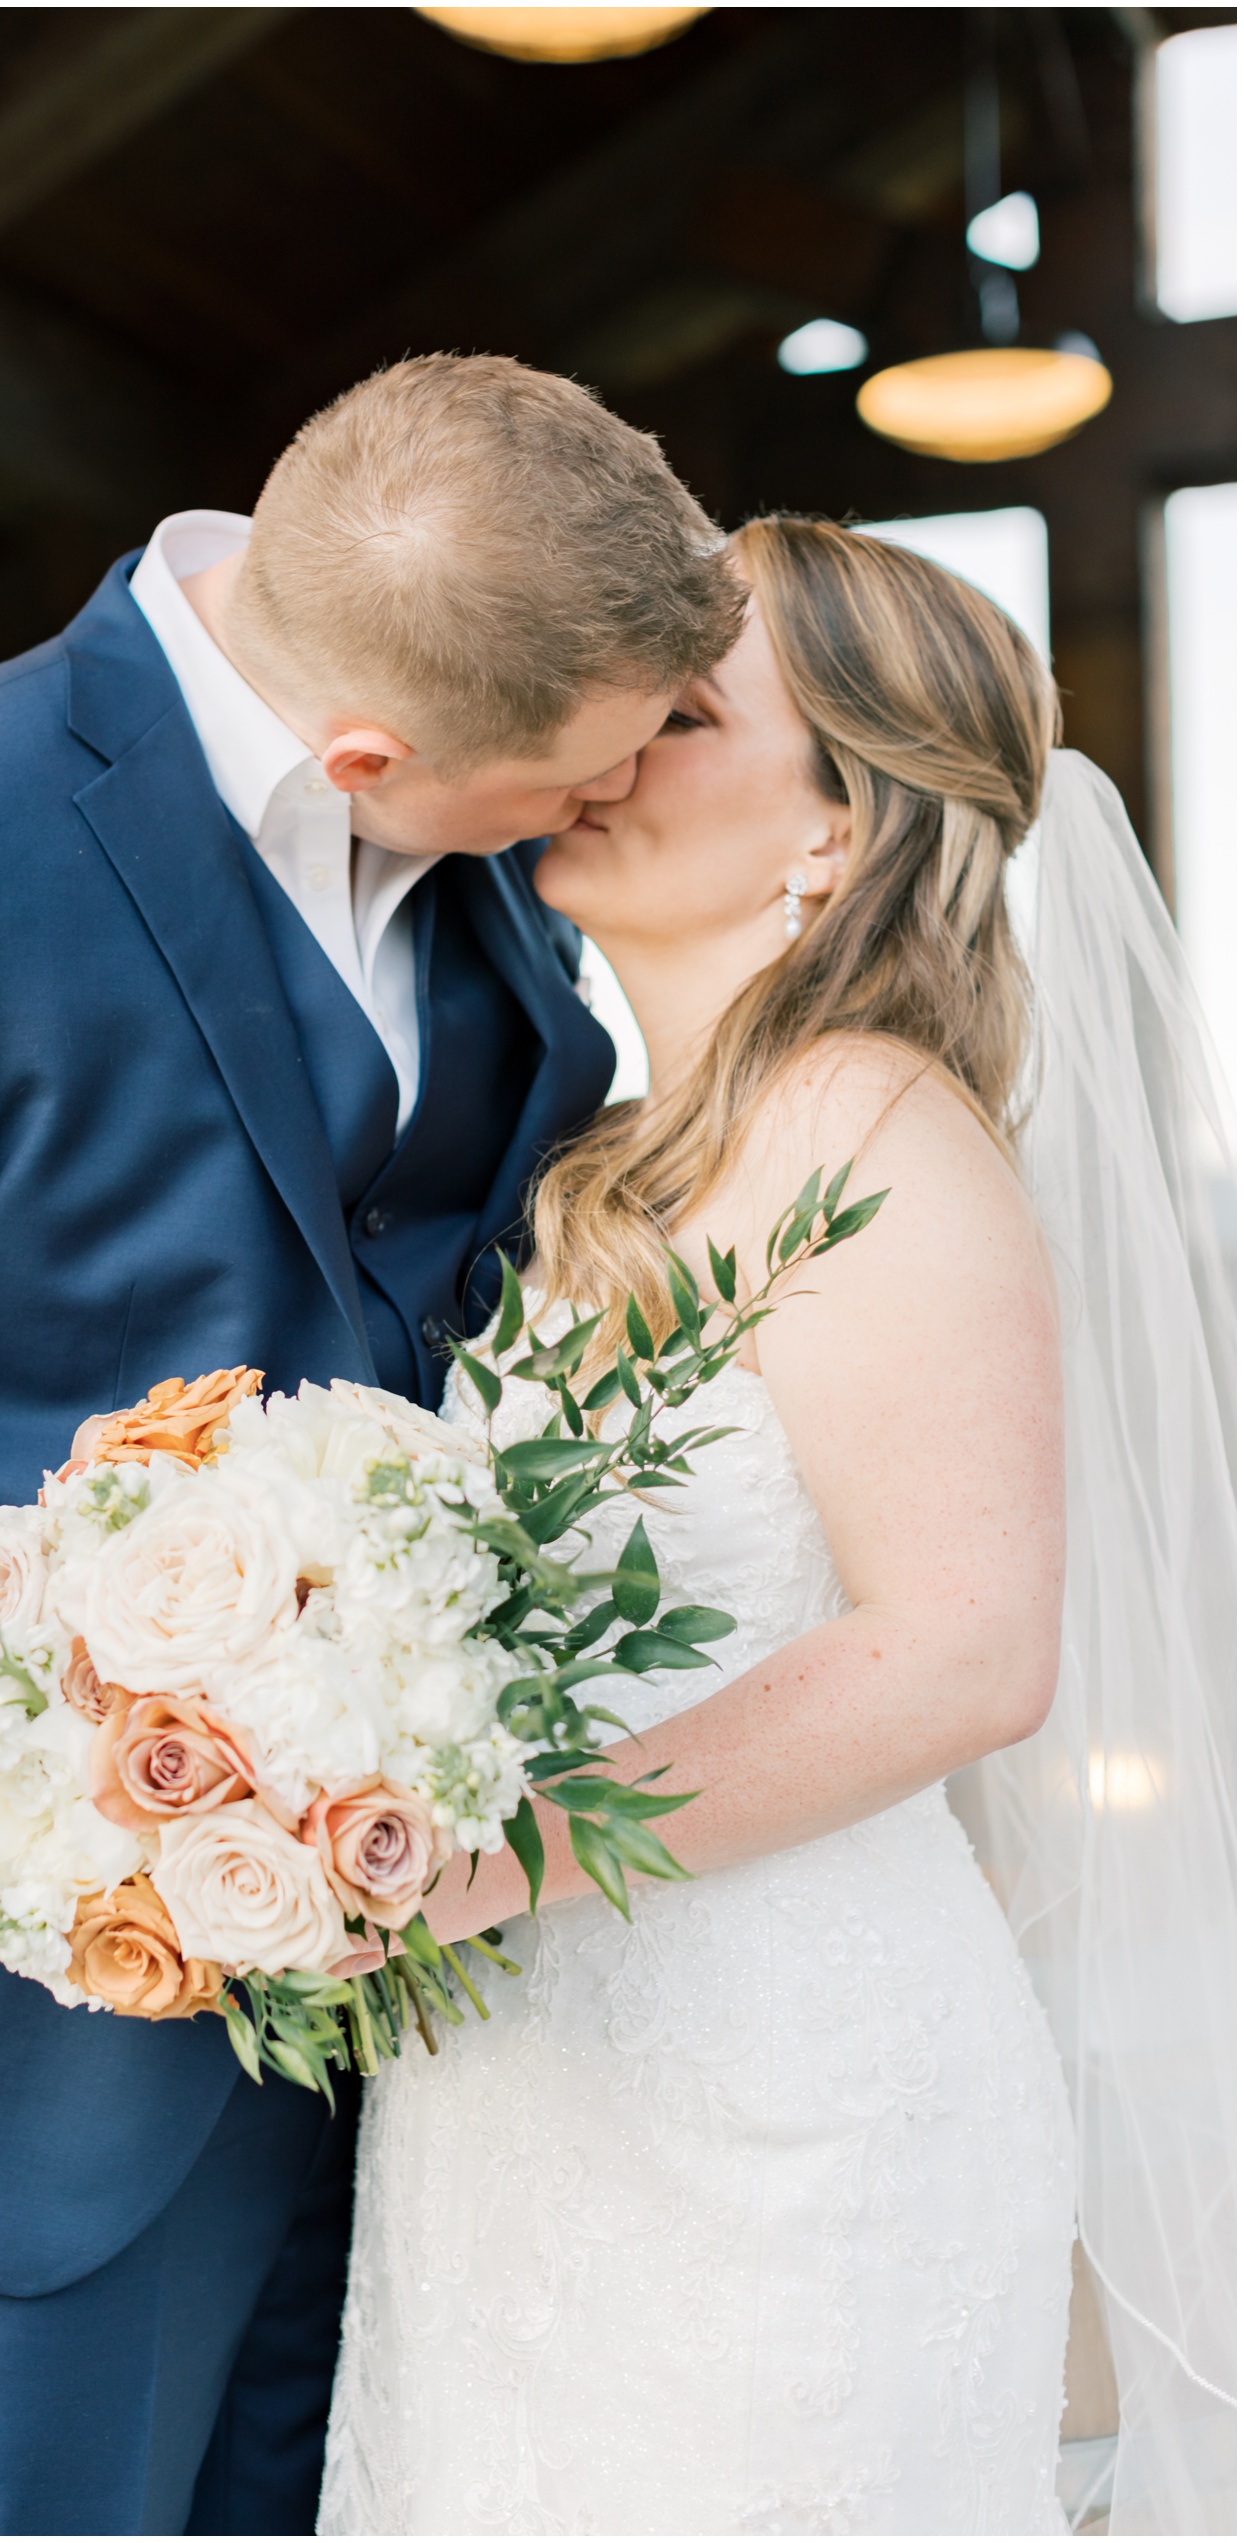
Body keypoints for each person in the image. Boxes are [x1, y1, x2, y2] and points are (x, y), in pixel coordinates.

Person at [0, 356, 743, 2537]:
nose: (635, 792)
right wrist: (74, 1807)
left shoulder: (485, 865)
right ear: (374, 754)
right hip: (21, 2054)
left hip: (429, 2058)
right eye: (600, 759)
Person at [320, 519, 1236, 2534]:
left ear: (833, 833)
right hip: (529, 2080)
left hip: (782, 2097)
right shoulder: (622, 1155)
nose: (612, 727)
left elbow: (965, 1649)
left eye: (685, 704)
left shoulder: (869, 1127)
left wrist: (488, 1855)